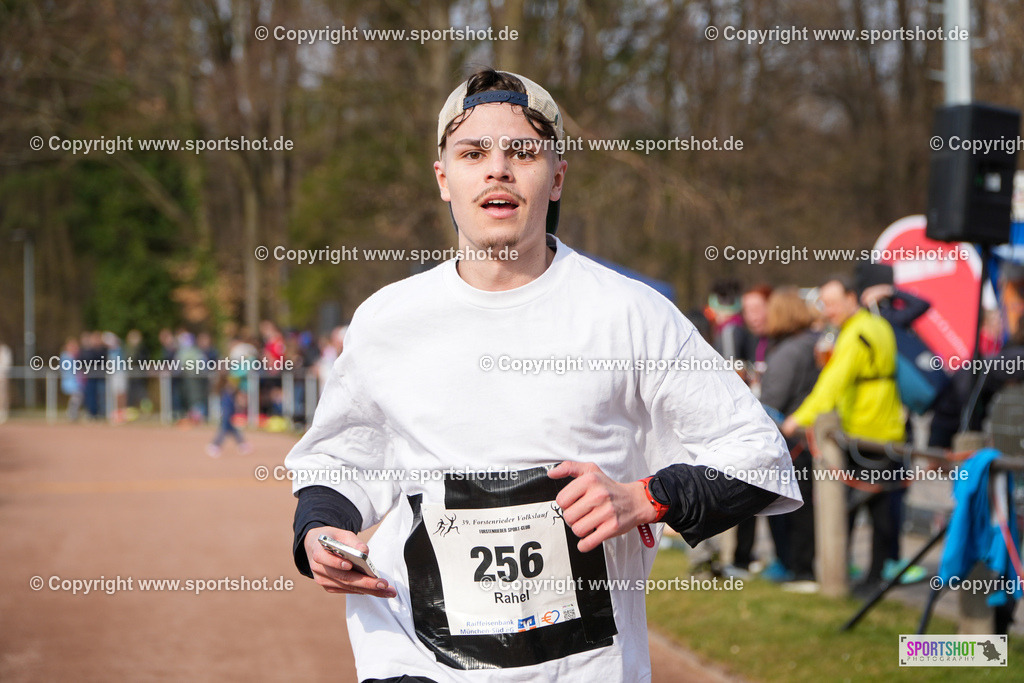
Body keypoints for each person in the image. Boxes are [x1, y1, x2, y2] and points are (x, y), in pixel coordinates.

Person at [285, 68, 801, 683]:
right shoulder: (386, 319)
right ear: (444, 179)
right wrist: (318, 529)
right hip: (412, 656)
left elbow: (758, 456)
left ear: (556, 179)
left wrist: (643, 498)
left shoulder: (629, 313)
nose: (497, 169)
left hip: (581, 666)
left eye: (522, 152)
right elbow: (342, 458)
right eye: (473, 153)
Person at [782, 275, 904, 592]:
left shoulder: (857, 333)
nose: (829, 309)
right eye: (824, 303)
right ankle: (874, 575)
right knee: (880, 509)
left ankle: (845, 577)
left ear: (853, 298)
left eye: (834, 302)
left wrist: (799, 418)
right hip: (889, 430)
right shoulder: (879, 326)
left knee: (849, 506)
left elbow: (832, 382)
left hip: (867, 432)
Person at [758, 288, 820, 587]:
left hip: (791, 439)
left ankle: (797, 568)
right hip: (803, 437)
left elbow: (772, 399)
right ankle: (798, 565)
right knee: (803, 505)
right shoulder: (809, 344)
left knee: (793, 508)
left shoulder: (790, 350)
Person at [207, 373, 250, 457]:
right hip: (227, 414)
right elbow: (227, 406)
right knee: (225, 430)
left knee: (231, 429)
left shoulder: (228, 392)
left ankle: (242, 444)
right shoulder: (226, 392)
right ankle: (215, 445)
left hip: (229, 414)